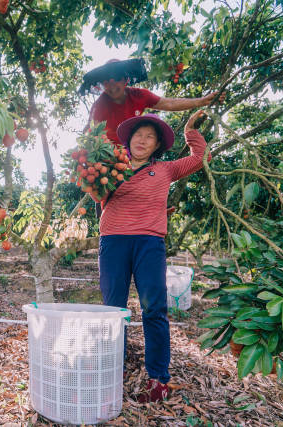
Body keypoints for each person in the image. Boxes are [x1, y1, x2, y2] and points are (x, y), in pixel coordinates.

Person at [95, 110, 211, 403]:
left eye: (149, 136)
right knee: (112, 310)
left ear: (157, 144)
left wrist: (190, 131)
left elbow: (199, 157)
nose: (142, 140)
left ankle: (158, 377)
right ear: (129, 139)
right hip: (113, 242)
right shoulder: (111, 167)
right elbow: (96, 193)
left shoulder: (165, 170)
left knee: (154, 310)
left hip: (149, 243)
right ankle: (112, 367)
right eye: (138, 135)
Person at [87, 59, 224, 145]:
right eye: (106, 82)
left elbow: (169, 103)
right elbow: (91, 134)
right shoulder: (99, 106)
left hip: (134, 151)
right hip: (109, 156)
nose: (111, 86)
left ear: (126, 80)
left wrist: (203, 101)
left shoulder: (139, 95)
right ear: (103, 85)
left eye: (115, 79)